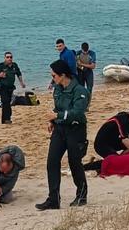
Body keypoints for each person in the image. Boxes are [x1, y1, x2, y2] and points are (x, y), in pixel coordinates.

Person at [37, 59, 90, 210]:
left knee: (75, 163)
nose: (52, 78)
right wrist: (52, 121)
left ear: (63, 75)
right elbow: (57, 108)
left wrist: (57, 116)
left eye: (54, 75)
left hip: (76, 130)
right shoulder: (58, 89)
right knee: (52, 162)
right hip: (60, 130)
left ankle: (81, 195)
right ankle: (53, 199)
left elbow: (78, 113)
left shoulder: (80, 91)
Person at [0, 51, 26, 124]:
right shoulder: (1, 66)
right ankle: (5, 120)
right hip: (2, 87)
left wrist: (22, 83)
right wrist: (0, 76)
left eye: (11, 57)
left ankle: (7, 118)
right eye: (7, 57)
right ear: (5, 58)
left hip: (10, 87)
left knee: (8, 102)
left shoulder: (14, 65)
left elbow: (18, 74)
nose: (9, 58)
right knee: (5, 102)